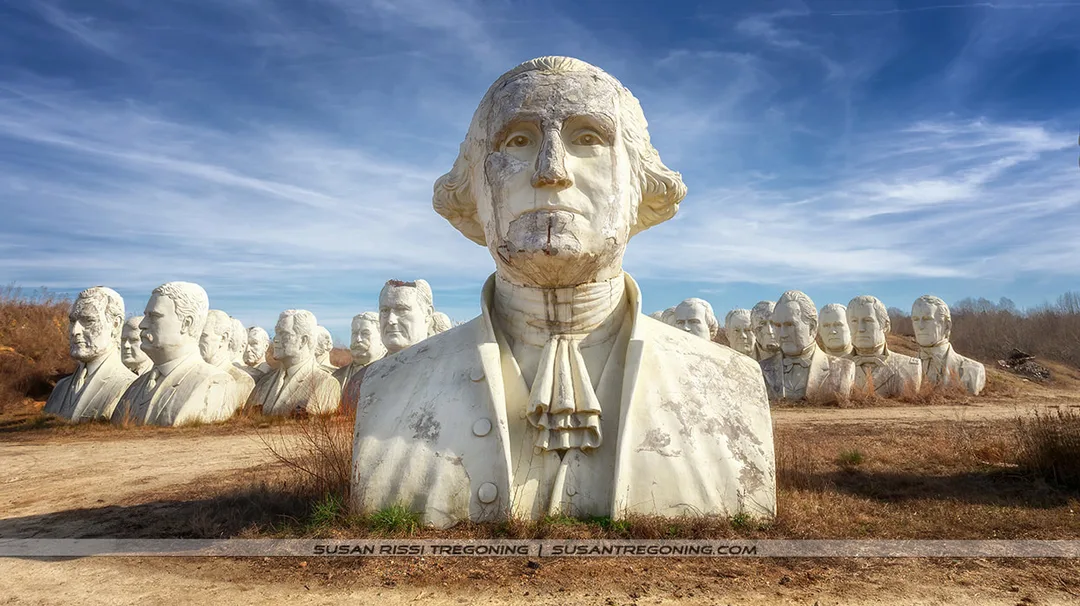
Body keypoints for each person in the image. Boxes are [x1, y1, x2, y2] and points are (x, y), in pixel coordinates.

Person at [351, 56, 775, 527]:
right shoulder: (391, 385)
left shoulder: (729, 383)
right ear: (471, 189)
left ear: (640, 183)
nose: (551, 171)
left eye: (588, 139)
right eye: (517, 141)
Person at [111, 282, 235, 426]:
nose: (142, 325)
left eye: (154, 316)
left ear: (186, 324)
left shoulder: (216, 382)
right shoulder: (136, 386)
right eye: (146, 316)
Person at [45, 287, 135, 422]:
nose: (75, 331)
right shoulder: (60, 388)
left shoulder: (131, 386)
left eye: (88, 321)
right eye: (72, 321)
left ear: (115, 325)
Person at [760, 290, 854, 402]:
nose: (782, 334)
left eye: (790, 325)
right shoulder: (760, 370)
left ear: (812, 327)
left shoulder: (842, 369)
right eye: (778, 326)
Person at [246, 309, 341, 416]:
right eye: (276, 333)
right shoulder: (264, 382)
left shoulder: (326, 384)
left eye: (284, 334)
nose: (276, 339)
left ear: (303, 340)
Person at [846, 295, 922, 397]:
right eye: (854, 321)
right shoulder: (836, 368)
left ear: (885, 325)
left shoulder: (910, 366)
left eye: (868, 320)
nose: (860, 328)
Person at [911, 295, 985, 395]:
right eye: (915, 319)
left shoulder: (973, 369)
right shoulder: (904, 369)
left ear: (946, 325)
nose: (920, 326)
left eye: (927, 319)